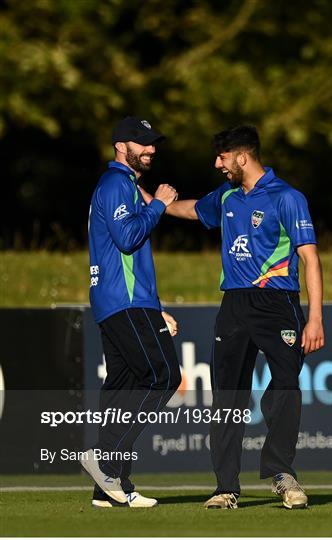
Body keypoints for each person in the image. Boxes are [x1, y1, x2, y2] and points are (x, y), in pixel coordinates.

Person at [141, 125, 324, 510]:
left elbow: (309, 258)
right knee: (227, 396)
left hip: (279, 304)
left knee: (287, 384)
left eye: (222, 158)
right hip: (234, 307)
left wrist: (316, 317)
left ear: (242, 157)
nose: (217, 164)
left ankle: (281, 472)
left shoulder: (287, 197)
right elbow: (190, 208)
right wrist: (147, 199)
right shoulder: (226, 195)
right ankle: (226, 488)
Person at [81, 116, 182, 508]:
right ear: (121, 146)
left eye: (154, 142)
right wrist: (159, 204)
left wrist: (157, 308)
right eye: (143, 143)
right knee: (163, 376)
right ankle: (105, 461)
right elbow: (126, 239)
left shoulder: (118, 185)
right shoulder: (118, 184)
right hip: (124, 300)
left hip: (118, 299)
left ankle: (108, 488)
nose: (152, 149)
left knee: (122, 385)